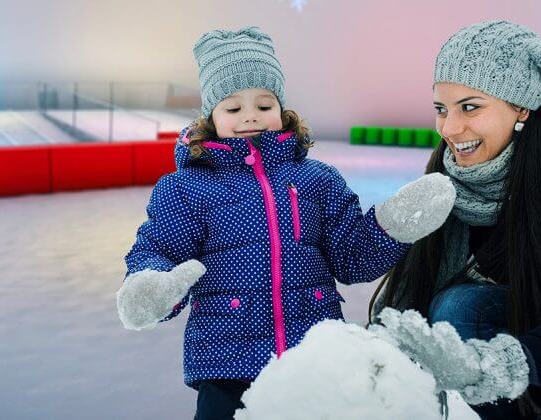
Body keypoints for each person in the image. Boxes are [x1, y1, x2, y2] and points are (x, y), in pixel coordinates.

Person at [116, 26, 455, 419]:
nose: (251, 118)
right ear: (211, 115)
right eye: (233, 107)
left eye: (264, 105)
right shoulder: (185, 189)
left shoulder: (317, 179)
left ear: (281, 108)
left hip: (313, 360)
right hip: (227, 364)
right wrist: (151, 286)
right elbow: (160, 249)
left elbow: (352, 257)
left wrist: (391, 226)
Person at [370, 20, 541, 419]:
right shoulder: (448, 178)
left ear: (520, 106)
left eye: (470, 107)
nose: (450, 129)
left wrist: (521, 361)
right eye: (442, 109)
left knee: (461, 305)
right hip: (502, 348)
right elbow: (411, 287)